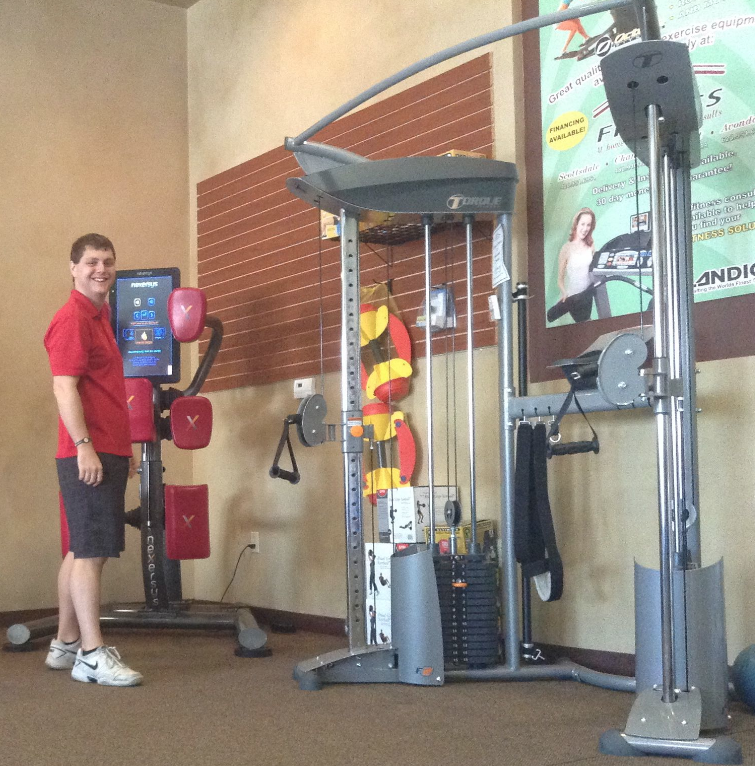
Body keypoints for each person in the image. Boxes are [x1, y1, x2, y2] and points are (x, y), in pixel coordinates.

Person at [43, 233, 142, 687]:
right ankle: (91, 654)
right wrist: (84, 445)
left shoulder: (100, 316)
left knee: (80, 548)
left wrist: (127, 445)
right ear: (73, 268)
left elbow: (104, 391)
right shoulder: (72, 319)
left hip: (108, 446)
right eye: (90, 262)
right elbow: (64, 387)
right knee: (92, 553)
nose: (100, 269)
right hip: (89, 450)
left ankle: (64, 643)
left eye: (107, 261)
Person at [555, 207, 597, 323]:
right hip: (574, 297)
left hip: (588, 294)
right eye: (583, 224)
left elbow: (594, 270)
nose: (585, 229)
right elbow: (560, 279)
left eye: (588, 225)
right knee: (585, 323)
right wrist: (564, 292)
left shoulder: (591, 245)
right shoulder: (566, 248)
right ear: (576, 224)